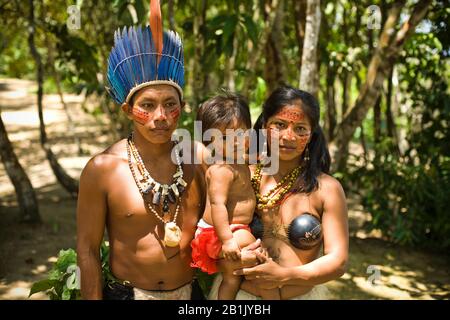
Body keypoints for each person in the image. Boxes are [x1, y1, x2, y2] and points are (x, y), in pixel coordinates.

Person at [76, 0, 208, 300]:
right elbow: (87, 249)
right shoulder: (103, 169)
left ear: (182, 108)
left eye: (170, 105)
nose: (160, 116)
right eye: (147, 105)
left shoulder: (198, 157)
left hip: (191, 296)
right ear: (127, 109)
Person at [208, 85, 349, 300]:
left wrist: (284, 275)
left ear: (312, 134)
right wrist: (226, 255)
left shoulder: (326, 189)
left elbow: (338, 261)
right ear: (264, 126)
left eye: (300, 128)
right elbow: (206, 232)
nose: (288, 136)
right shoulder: (240, 175)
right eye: (279, 125)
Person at [191, 93, 279, 300]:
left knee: (232, 279)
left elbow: (249, 157)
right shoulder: (221, 170)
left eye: (241, 134)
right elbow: (218, 204)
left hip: (231, 230)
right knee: (260, 265)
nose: (234, 142)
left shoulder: (237, 160)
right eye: (223, 138)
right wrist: (227, 240)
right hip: (219, 233)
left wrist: (260, 157)